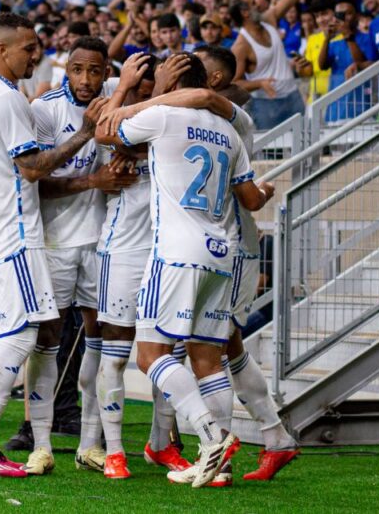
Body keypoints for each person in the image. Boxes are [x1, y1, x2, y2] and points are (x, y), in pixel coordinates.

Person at [99, 53, 274, 489]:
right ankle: (217, 465)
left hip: (175, 251)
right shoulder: (230, 131)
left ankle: (214, 438)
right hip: (222, 252)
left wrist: (136, 91)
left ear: (172, 81)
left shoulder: (163, 116)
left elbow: (106, 132)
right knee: (207, 356)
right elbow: (250, 196)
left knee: (150, 355)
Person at [0, 12, 104, 477]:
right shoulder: (7, 100)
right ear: (2, 50)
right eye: (28, 47)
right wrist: (84, 133)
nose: (35, 54)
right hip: (14, 237)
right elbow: (33, 168)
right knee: (21, 335)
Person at [21, 36, 138, 477]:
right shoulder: (45, 110)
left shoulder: (119, 103)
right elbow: (35, 181)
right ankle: (42, 444)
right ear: (65, 69)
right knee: (48, 340)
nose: (86, 79)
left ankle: (90, 444)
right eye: (77, 69)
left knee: (101, 341)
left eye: (95, 70)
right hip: (55, 243)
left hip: (105, 244)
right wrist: (93, 182)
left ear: (107, 70)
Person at [232, 0, 316, 129]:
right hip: (265, 104)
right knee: (273, 153)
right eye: (253, 4)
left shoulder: (269, 19)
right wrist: (259, 83)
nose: (259, 5)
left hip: (293, 95)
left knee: (304, 144)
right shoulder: (241, 45)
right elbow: (235, 82)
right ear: (244, 13)